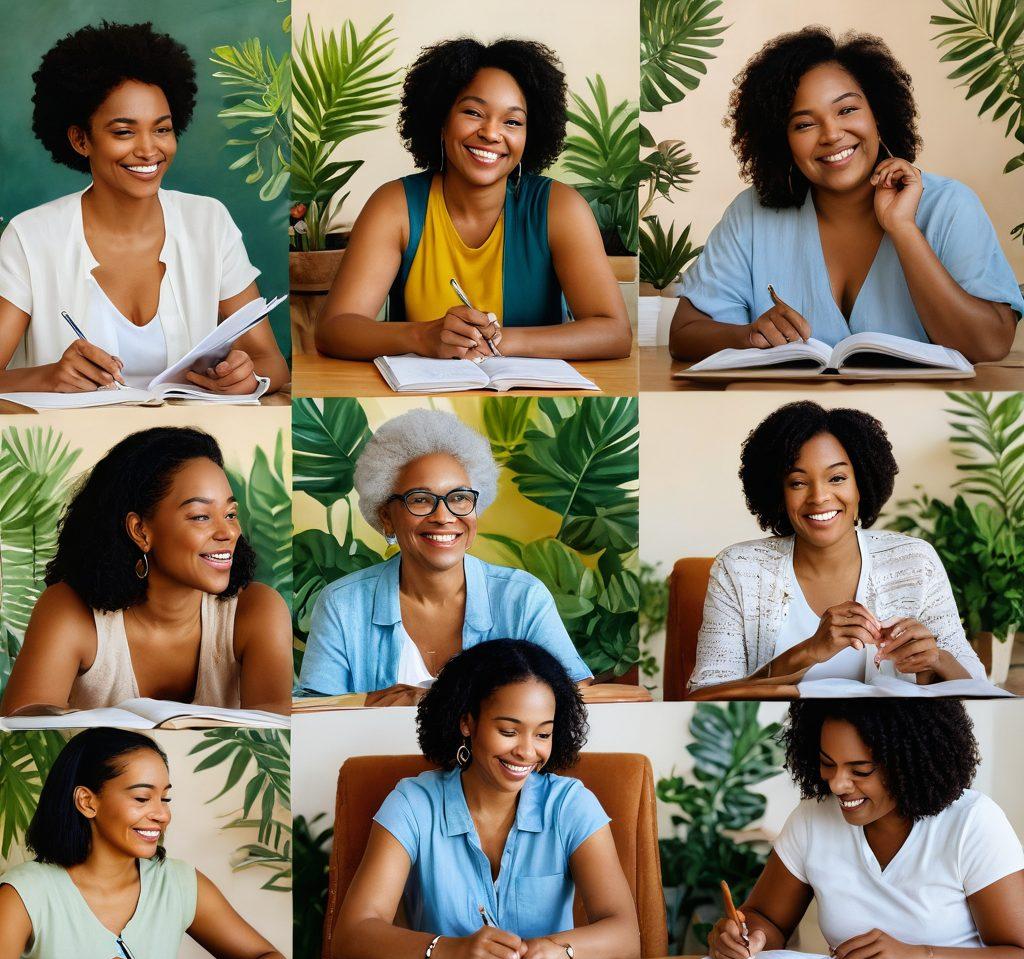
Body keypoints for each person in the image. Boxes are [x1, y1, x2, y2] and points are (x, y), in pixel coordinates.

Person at [670, 28, 1022, 363]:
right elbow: (684, 334)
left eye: (847, 110)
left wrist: (903, 229)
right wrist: (747, 336)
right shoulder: (750, 213)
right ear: (782, 141)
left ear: (878, 114)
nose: (832, 134)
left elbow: (989, 345)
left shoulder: (950, 206)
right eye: (804, 124)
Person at [0, 21, 289, 395]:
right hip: (67, 447)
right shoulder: (31, 236)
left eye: (162, 129)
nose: (149, 150)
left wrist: (248, 376)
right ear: (80, 139)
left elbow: (271, 361)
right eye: (124, 132)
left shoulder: (208, 222)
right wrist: (46, 377)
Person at [332, 639, 640, 959]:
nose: (526, 751)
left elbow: (625, 934)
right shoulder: (412, 803)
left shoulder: (571, 805)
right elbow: (352, 934)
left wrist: (557, 949)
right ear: (467, 723)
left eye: (543, 735)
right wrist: (449, 951)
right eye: (509, 730)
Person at [313, 38, 631, 363]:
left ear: (529, 135)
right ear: (441, 120)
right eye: (473, 112)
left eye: (512, 122)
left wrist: (501, 340)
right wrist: (423, 335)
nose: (491, 133)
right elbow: (334, 328)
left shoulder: (559, 208)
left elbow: (614, 333)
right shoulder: (395, 206)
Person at [709, 700, 1024, 959]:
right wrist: (744, 938)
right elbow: (768, 919)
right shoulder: (813, 818)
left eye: (860, 770)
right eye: (827, 763)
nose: (837, 784)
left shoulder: (971, 822)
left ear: (908, 763)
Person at [298, 409, 591, 705]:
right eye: (421, 500)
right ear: (386, 516)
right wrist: (368, 702)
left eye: (460, 498)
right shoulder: (342, 604)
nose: (443, 517)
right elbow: (315, 713)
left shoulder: (523, 598)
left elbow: (579, 699)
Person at [689, 402, 985, 692]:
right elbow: (705, 696)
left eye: (837, 478)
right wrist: (809, 652)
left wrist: (937, 660)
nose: (819, 497)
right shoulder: (739, 568)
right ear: (778, 493)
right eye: (797, 482)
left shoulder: (915, 561)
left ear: (862, 485)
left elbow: (981, 690)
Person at [0, 729, 290, 959]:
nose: (161, 815)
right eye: (142, 798)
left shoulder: (177, 883)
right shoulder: (24, 893)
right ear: (87, 801)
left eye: (165, 798)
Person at [0, 427, 291, 714]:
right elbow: (21, 722)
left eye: (230, 514)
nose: (228, 532)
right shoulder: (70, 611)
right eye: (201, 516)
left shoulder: (257, 611)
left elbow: (275, 729)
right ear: (140, 531)